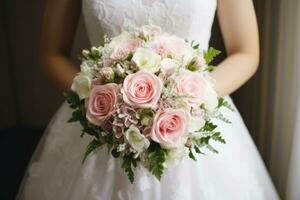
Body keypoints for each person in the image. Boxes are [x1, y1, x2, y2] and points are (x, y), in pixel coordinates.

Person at [16, 0, 280, 199]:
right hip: (100, 119)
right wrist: (102, 98)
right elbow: (52, 53)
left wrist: (190, 101)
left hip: (193, 117)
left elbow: (246, 52)